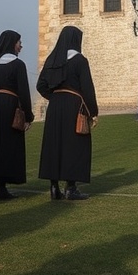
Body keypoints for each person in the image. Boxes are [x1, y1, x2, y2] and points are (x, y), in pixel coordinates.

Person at [37, 25, 98, 201]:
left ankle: (54, 187)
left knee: (54, 144)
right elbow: (87, 88)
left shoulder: (52, 60)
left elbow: (40, 85)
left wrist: (55, 97)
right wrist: (92, 111)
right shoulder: (80, 61)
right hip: (74, 106)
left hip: (55, 107)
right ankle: (71, 188)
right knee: (75, 145)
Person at [0, 30, 34, 200]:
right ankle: (2, 187)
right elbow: (24, 93)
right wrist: (28, 116)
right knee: (7, 147)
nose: (21, 46)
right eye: (19, 42)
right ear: (12, 43)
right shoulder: (18, 65)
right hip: (10, 107)